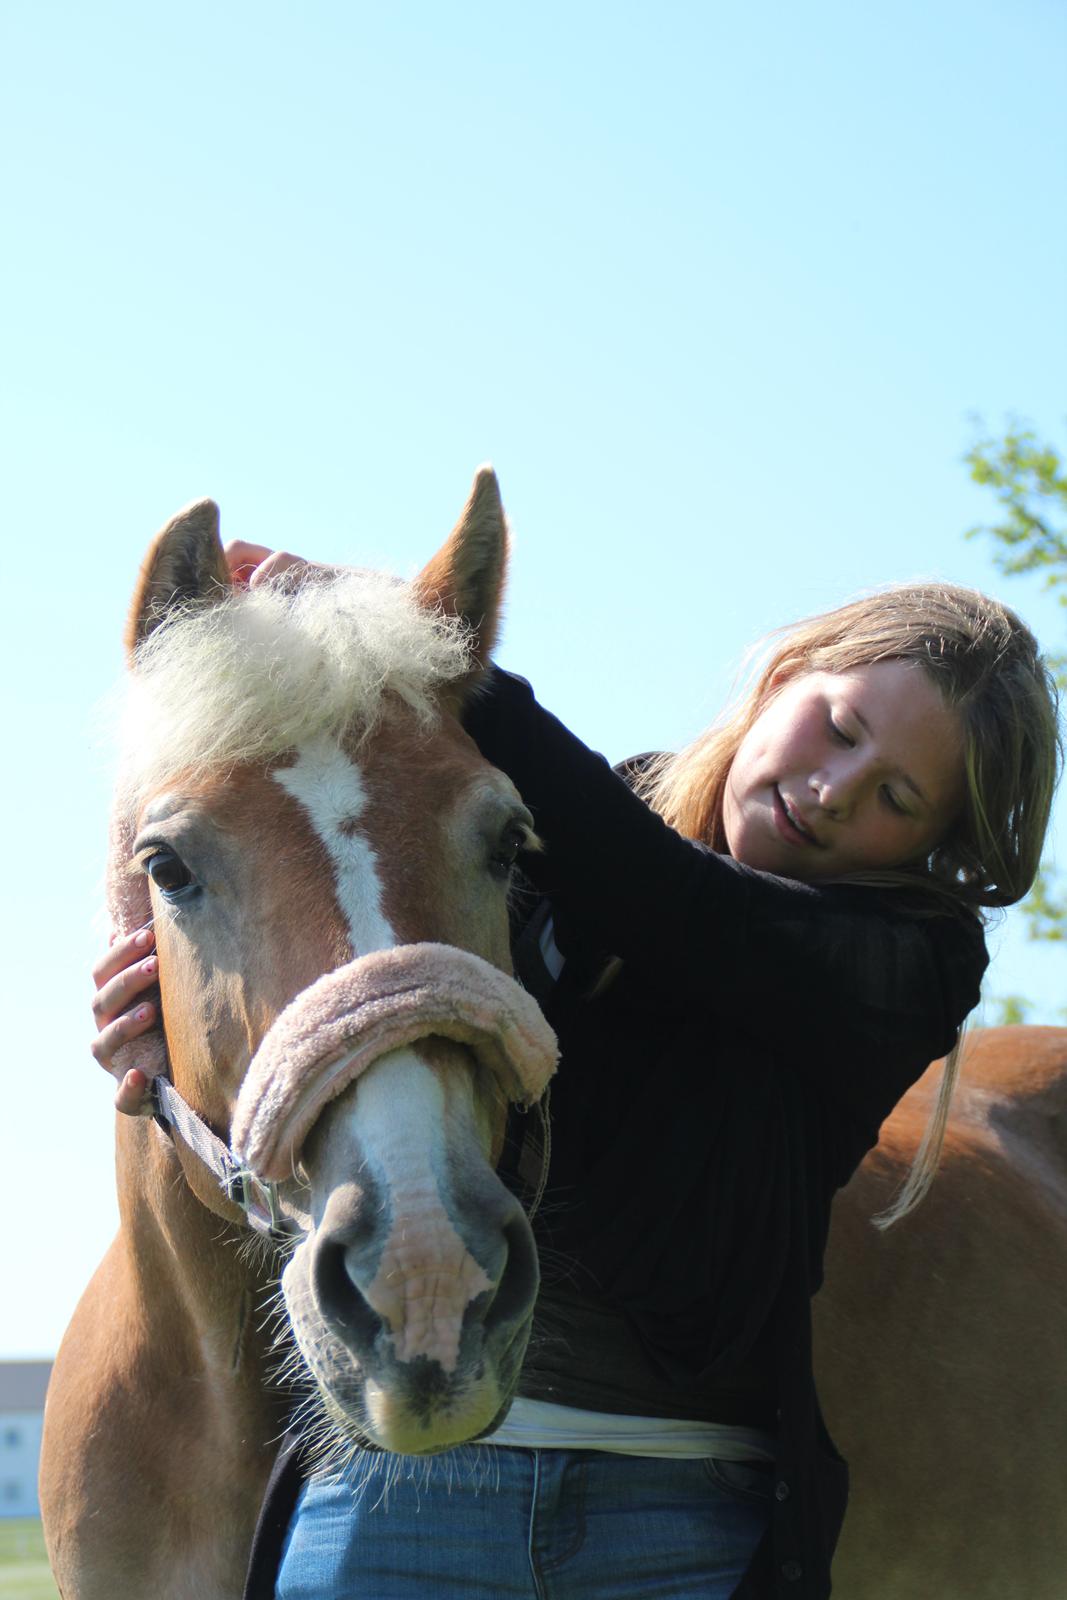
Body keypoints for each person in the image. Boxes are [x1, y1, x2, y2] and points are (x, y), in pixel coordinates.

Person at [91, 548, 1059, 1600]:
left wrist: (432, 650)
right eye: (838, 727)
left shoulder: (898, 961)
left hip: (676, 1496)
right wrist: (163, 1013)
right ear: (785, 671)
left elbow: (667, 898)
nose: (830, 791)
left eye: (894, 795)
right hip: (405, 1486)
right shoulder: (540, 827)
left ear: (927, 845)